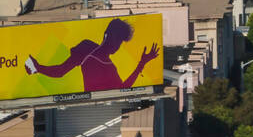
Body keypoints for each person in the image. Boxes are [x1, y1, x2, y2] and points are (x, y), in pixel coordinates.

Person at [25, 17, 159, 94]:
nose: (116, 45)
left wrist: (142, 62)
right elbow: (61, 71)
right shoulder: (87, 48)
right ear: (106, 35)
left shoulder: (111, 66)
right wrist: (38, 68)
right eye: (115, 39)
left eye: (120, 42)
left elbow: (122, 89)